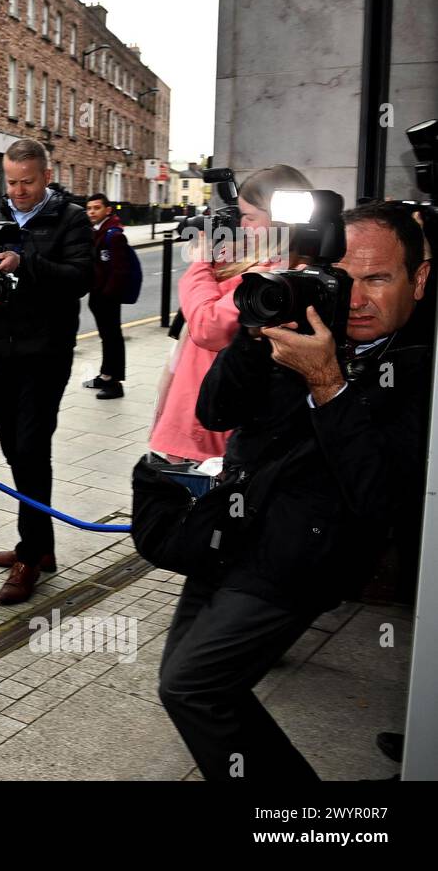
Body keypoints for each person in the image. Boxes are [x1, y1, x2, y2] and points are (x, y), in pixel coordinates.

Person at [159, 201, 433, 780]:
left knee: (195, 687)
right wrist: (254, 338)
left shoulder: (418, 367)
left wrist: (328, 381)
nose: (355, 298)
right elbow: (216, 409)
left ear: (420, 279)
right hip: (229, 532)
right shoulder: (310, 324)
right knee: (183, 681)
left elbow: (384, 498)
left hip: (301, 558)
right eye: (343, 277)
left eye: (377, 278)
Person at [0, 139, 92, 602]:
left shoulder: (70, 218)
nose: (18, 190)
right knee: (16, 451)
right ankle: (40, 545)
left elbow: (80, 278)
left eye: (27, 182)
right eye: (11, 182)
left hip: (46, 353)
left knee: (31, 448)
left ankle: (31, 554)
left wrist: (25, 262)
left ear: (45, 176)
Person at [148, 165, 313, 462]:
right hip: (209, 415)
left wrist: (200, 262)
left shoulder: (272, 280)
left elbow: (208, 327)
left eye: (249, 217)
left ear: (280, 220)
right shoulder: (270, 262)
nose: (243, 225)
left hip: (210, 431)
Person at [82, 193, 128, 399]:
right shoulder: (96, 231)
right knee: (106, 337)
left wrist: (107, 294)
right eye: (89, 208)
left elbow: (120, 271)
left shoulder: (114, 235)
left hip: (108, 297)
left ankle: (115, 383)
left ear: (108, 210)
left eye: (97, 208)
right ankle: (105, 375)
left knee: (112, 338)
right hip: (98, 294)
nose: (92, 212)